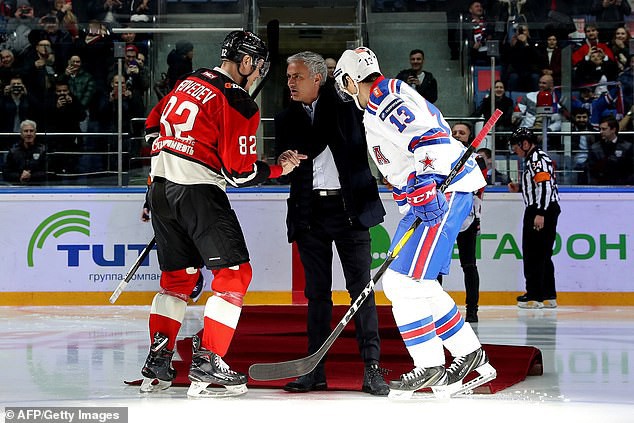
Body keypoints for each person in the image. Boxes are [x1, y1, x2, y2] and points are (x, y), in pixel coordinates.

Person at [139, 30, 304, 398]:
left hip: (161, 188)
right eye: (258, 67)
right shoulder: (240, 102)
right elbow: (239, 173)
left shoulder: (190, 80)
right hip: (199, 191)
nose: (259, 74)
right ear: (245, 62)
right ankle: (209, 360)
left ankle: (158, 361)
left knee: (177, 279)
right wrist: (278, 169)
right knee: (234, 274)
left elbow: (152, 125)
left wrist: (160, 173)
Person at [334, 46, 496, 399]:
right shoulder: (382, 99)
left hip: (441, 188)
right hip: (431, 189)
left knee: (404, 281)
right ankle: (470, 357)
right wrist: (412, 192)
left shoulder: (382, 97)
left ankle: (435, 365)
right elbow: (403, 160)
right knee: (404, 283)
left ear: (349, 79)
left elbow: (427, 135)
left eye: (343, 84)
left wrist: (425, 179)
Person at [275, 51, 389, 396]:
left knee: (362, 291)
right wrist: (282, 161)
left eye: (297, 76)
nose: (290, 83)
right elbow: (284, 168)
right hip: (310, 214)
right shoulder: (285, 118)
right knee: (317, 296)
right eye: (289, 77)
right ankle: (314, 370)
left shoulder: (347, 106)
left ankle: (372, 368)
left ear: (317, 78)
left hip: (349, 210)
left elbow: (348, 139)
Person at [507, 127, 561, 309]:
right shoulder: (536, 158)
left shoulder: (537, 159)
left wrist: (540, 213)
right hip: (544, 207)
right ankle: (548, 295)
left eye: (516, 146)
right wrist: (521, 188)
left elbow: (545, 187)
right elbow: (540, 186)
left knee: (533, 253)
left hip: (540, 209)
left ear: (525, 143)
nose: (514, 151)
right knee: (543, 254)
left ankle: (535, 296)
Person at [449, 122, 488, 323]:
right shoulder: (442, 156)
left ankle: (472, 310)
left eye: (461, 133)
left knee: (469, 264)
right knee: (437, 265)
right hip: (445, 216)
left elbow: (478, 185)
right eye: (454, 132)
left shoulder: (477, 159)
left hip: (468, 216)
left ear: (469, 136)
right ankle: (438, 311)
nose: (457, 135)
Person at [587, 115, 634, 184]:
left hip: (622, 186)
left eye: (604, 129)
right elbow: (591, 171)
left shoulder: (627, 147)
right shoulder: (595, 148)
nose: (601, 132)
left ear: (613, 129)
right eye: (600, 129)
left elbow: (631, 170)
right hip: (600, 187)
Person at [3, 119, 47, 184]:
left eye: (31, 131)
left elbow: (46, 172)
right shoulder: (13, 151)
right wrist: (20, 176)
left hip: (38, 187)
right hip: (16, 187)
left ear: (35, 133)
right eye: (26, 131)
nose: (29, 134)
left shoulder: (42, 150)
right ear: (21, 133)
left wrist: (30, 176)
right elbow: (6, 173)